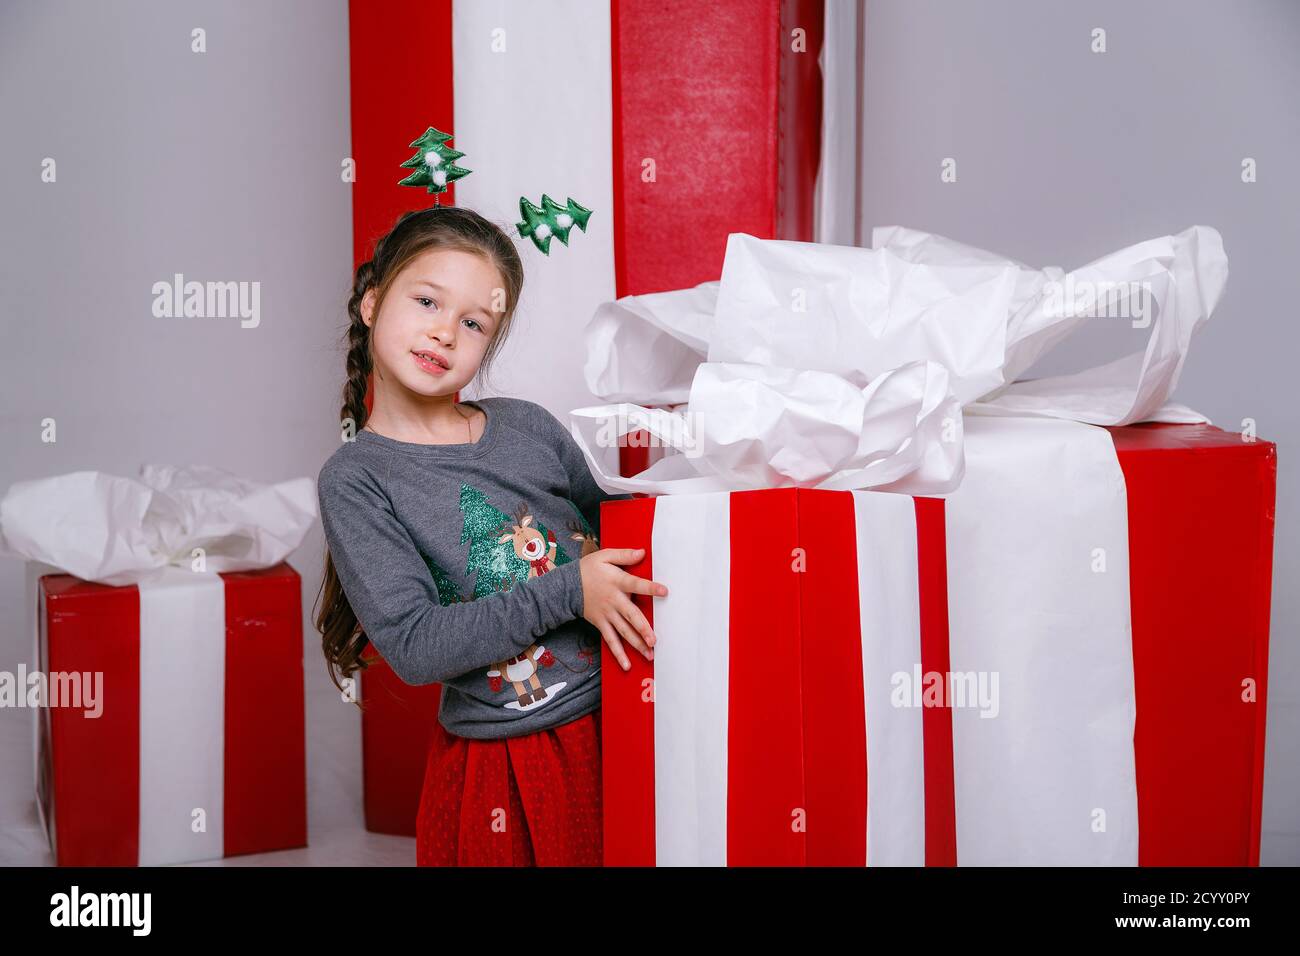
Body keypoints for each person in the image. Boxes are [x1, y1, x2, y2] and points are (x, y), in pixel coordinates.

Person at [313, 205, 668, 865]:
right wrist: (566, 592)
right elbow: (417, 646)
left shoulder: (528, 427)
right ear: (370, 303)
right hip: (510, 758)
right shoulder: (358, 480)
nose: (445, 331)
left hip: (623, 717)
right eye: (427, 301)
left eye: (473, 322)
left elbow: (623, 537)